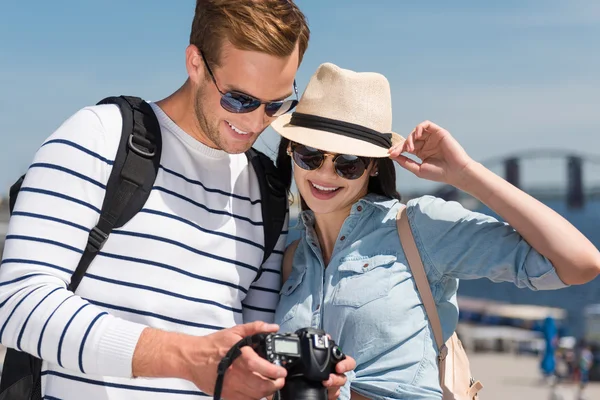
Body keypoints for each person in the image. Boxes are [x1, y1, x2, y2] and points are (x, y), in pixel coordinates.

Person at [0, 2, 355, 399]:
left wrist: (295, 375)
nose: (256, 122)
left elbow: (250, 354)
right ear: (195, 63)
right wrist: (187, 359)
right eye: (239, 100)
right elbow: (18, 304)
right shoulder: (98, 137)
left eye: (275, 105)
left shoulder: (268, 193)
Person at [271, 62, 600, 399]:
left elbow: (579, 263)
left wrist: (466, 174)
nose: (325, 174)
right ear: (290, 150)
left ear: (372, 166)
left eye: (347, 163)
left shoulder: (418, 228)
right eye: (310, 155)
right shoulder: (292, 256)